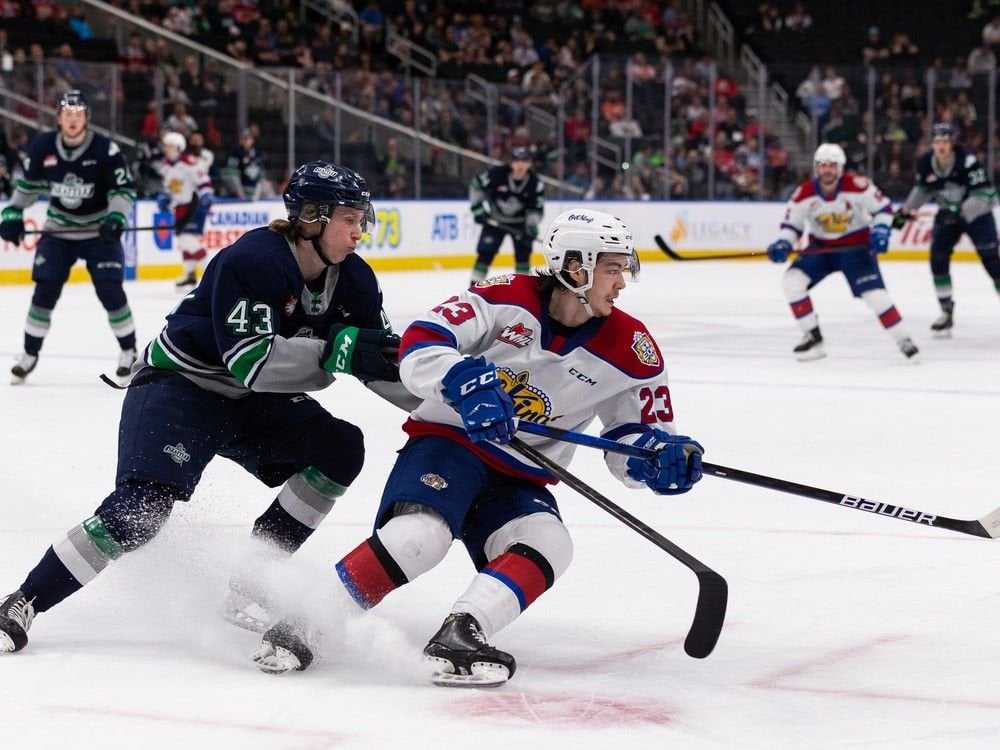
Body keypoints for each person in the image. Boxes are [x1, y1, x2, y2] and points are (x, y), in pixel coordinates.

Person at [250, 208, 705, 686]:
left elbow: (632, 437)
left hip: (520, 476)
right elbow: (422, 341)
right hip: (451, 444)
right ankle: (307, 620)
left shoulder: (633, 349)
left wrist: (655, 459)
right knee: (419, 537)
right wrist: (462, 382)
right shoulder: (505, 298)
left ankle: (462, 632)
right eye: (612, 269)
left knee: (550, 543)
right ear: (576, 268)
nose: (622, 282)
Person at [0, 161, 406, 654]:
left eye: (362, 219)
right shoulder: (255, 260)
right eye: (349, 219)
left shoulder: (355, 279)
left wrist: (448, 403)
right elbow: (252, 363)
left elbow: (381, 362)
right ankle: (24, 600)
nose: (360, 232)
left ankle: (249, 580)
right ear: (311, 217)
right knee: (139, 512)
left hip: (251, 400)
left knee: (340, 448)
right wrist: (332, 351)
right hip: (181, 387)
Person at [0, 90, 139, 384]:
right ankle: (29, 354)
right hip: (58, 231)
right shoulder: (43, 146)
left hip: (98, 231)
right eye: (67, 114)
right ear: (59, 118)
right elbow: (28, 186)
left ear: (87, 118)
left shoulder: (106, 150)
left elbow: (123, 190)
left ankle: (129, 350)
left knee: (110, 291)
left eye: (78, 114)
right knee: (44, 292)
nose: (73, 120)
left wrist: (116, 217)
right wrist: (13, 212)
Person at [767, 143, 918, 361]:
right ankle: (813, 339)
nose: (827, 170)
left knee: (876, 296)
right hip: (821, 249)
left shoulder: (858, 186)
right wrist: (783, 243)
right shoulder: (804, 193)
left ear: (840, 168)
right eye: (822, 165)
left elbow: (883, 209)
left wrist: (881, 231)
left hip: (856, 249)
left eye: (832, 165)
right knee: (792, 282)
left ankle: (904, 340)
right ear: (816, 167)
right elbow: (792, 226)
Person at [892, 123, 1000, 337]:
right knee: (938, 259)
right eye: (937, 141)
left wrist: (961, 212)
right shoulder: (926, 162)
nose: (941, 146)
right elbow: (923, 189)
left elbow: (988, 195)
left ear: (953, 144)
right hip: (947, 214)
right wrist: (905, 211)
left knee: (992, 262)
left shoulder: (967, 161)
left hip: (977, 216)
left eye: (945, 141)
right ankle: (946, 311)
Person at [468, 146, 545, 284]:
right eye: (517, 161)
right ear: (511, 162)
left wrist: (531, 226)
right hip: (494, 220)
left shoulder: (535, 183)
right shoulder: (496, 174)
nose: (520, 165)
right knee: (485, 253)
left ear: (529, 163)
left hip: (520, 223)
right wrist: (477, 209)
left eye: (524, 161)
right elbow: (476, 185)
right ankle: (474, 287)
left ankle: (522, 288)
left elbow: (536, 208)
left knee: (523, 256)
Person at [155, 130, 214, 291]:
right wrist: (165, 198)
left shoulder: (188, 162)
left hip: (194, 206)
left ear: (179, 147)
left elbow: (203, 180)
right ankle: (189, 275)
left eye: (170, 146)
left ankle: (214, 274)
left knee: (188, 240)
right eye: (165, 146)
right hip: (180, 209)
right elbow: (170, 189)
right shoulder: (166, 167)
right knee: (183, 241)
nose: (166, 149)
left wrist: (207, 195)